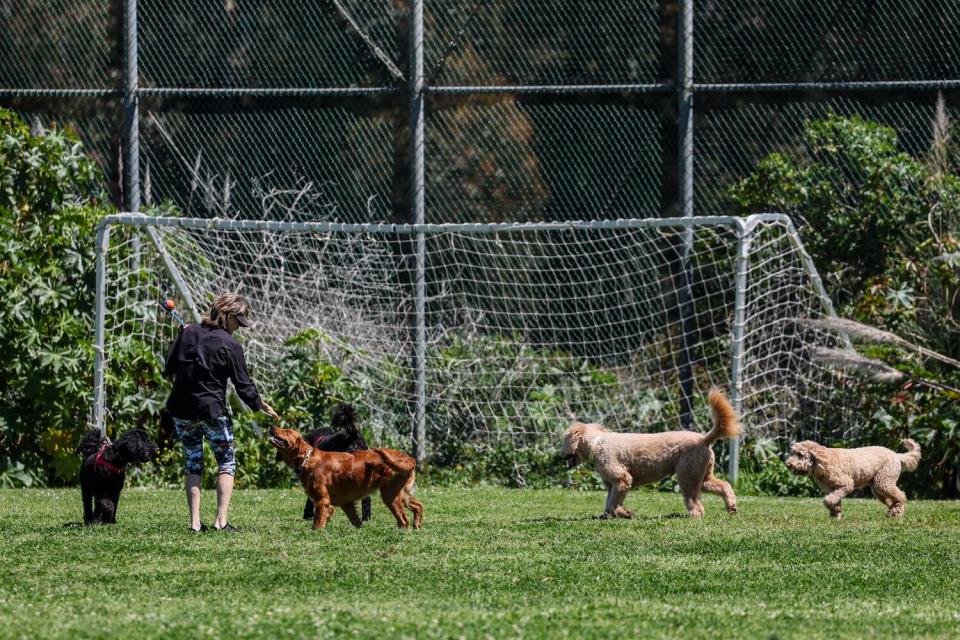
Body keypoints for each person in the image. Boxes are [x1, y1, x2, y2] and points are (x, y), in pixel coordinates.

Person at [164, 292, 280, 532]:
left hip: (182, 410)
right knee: (226, 463)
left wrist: (183, 337)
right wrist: (259, 405)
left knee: (193, 462)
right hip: (212, 412)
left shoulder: (188, 332)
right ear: (226, 316)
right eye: (237, 322)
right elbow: (243, 384)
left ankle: (195, 524)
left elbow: (169, 367)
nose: (238, 328)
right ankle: (220, 522)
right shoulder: (230, 345)